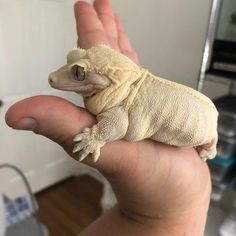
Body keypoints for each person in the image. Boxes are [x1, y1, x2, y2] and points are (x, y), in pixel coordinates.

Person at [5, 0, 211, 235]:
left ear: (109, 81)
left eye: (79, 73)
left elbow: (118, 124)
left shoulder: (120, 106)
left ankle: (210, 145)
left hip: (203, 129)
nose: (54, 77)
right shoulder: (124, 83)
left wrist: (96, 137)